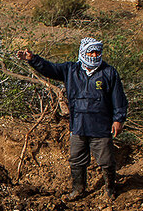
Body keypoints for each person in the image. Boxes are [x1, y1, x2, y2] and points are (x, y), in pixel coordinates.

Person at [16, 38, 127, 200]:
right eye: (91, 52)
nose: (95, 55)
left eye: (97, 52)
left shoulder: (109, 72)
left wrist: (118, 119)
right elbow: (50, 69)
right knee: (77, 159)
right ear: (83, 52)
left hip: (101, 126)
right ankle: (78, 190)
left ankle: (110, 188)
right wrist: (33, 60)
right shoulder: (71, 70)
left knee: (106, 160)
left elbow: (119, 98)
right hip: (78, 125)